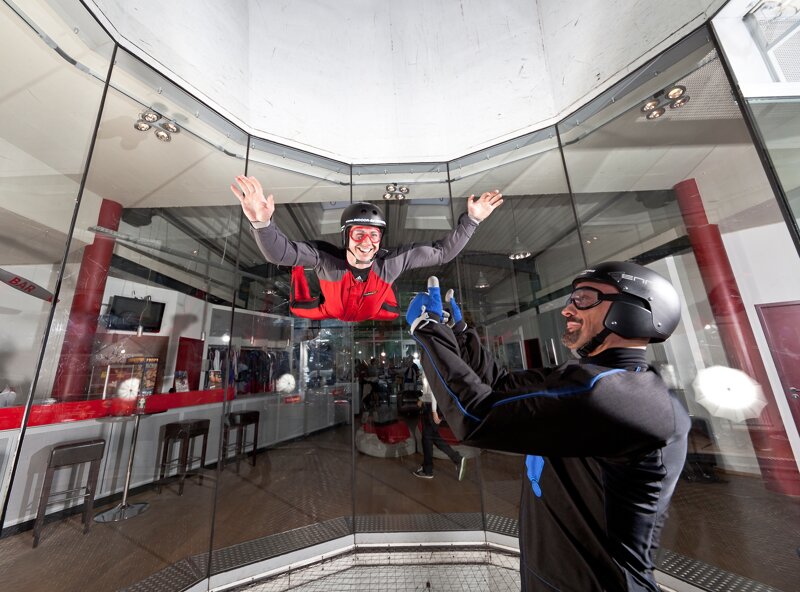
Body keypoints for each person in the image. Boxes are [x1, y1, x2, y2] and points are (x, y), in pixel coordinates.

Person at [405, 262, 689, 592]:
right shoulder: (582, 380)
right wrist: (461, 335)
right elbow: (501, 384)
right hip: (547, 577)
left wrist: (426, 330)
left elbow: (477, 417)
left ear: (633, 310)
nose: (568, 309)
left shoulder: (627, 398)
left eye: (584, 298)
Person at [230, 175, 502, 322]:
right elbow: (282, 253)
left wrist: (473, 220)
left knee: (398, 312)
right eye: (359, 234)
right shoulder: (326, 259)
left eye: (373, 236)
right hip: (330, 311)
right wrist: (261, 222)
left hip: (376, 311)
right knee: (297, 307)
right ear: (346, 237)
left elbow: (442, 253)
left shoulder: (391, 263)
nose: (366, 243)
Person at [413, 373, 467, 480]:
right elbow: (428, 390)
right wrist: (422, 399)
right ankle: (428, 467)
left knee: (428, 438)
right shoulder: (429, 366)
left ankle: (429, 470)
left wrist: (433, 411)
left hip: (431, 408)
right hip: (430, 406)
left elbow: (434, 390)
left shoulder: (429, 366)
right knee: (431, 438)